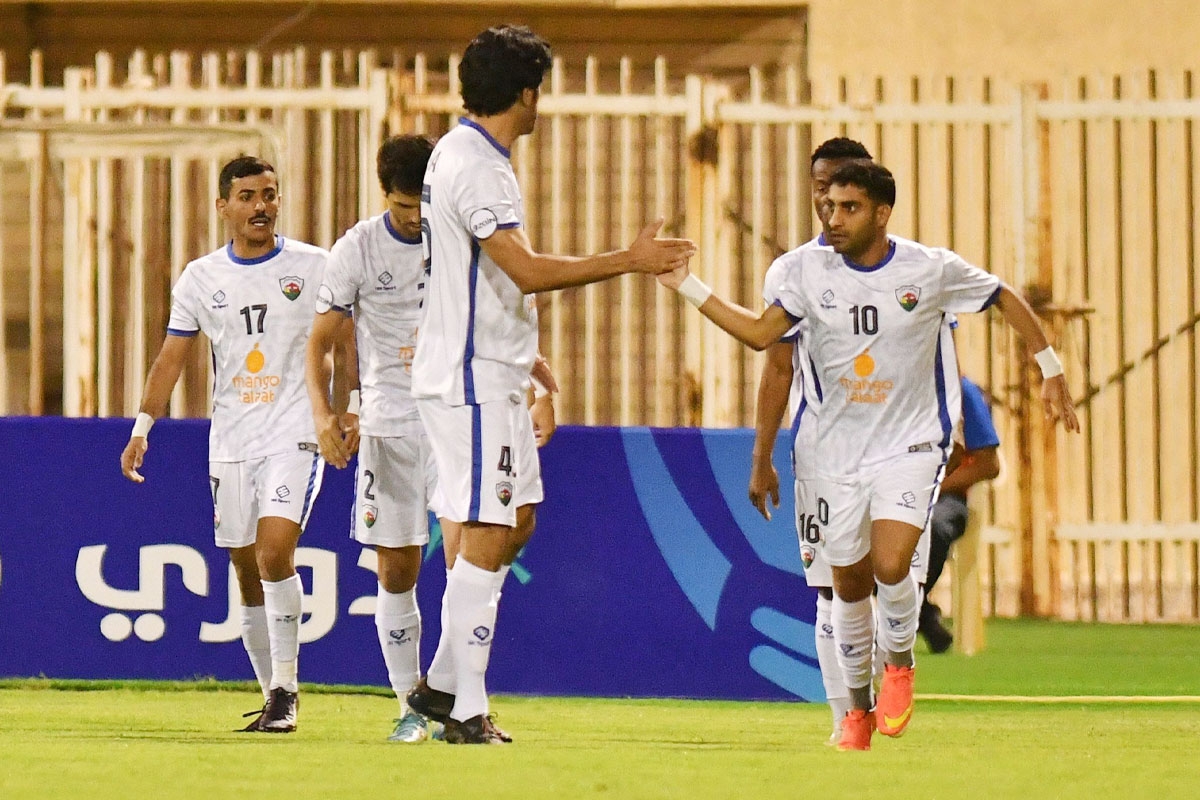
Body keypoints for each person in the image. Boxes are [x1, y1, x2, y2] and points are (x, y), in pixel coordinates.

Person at [662, 160, 1078, 751]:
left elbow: (1003, 296)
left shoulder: (928, 269)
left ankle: (900, 663)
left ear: (882, 213)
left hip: (910, 446)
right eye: (829, 206)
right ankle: (856, 711)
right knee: (848, 586)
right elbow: (760, 335)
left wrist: (1050, 366)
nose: (833, 218)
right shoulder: (806, 272)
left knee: (891, 563)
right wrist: (686, 284)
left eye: (849, 208)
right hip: (834, 456)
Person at [405, 24, 695, 745]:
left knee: (517, 516)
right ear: (528, 93)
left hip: (486, 366)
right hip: (470, 378)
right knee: (488, 527)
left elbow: (476, 276)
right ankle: (466, 709)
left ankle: (442, 681)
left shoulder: (462, 153)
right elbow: (525, 270)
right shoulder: (477, 166)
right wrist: (629, 259)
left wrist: (520, 348)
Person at [120, 156, 333, 733]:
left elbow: (344, 337)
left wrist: (348, 406)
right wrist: (142, 428)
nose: (261, 206)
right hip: (232, 439)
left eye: (270, 194)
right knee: (244, 567)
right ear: (223, 207)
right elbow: (171, 358)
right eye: (247, 196)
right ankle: (271, 698)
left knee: (273, 552)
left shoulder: (313, 266)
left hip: (293, 433)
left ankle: (287, 691)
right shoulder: (201, 277)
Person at [305, 134, 440, 742]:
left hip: (454, 417)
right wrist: (328, 414)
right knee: (397, 569)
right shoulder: (357, 249)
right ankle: (413, 705)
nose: (413, 218)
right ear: (385, 194)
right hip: (391, 424)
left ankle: (463, 700)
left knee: (470, 559)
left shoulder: (459, 235)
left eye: (421, 205)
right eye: (403, 206)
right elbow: (321, 341)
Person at [748, 137, 869, 745]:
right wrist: (762, 456)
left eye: (841, 190)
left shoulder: (910, 270)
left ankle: (878, 695)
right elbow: (778, 367)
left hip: (897, 452)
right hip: (822, 450)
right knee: (828, 587)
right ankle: (845, 719)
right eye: (820, 188)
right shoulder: (792, 271)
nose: (828, 201)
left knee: (884, 585)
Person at [918, 375, 1000, 653]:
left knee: (934, 526)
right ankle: (921, 616)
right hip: (893, 491)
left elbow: (989, 465)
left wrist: (934, 488)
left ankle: (912, 613)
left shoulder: (964, 392)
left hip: (947, 497)